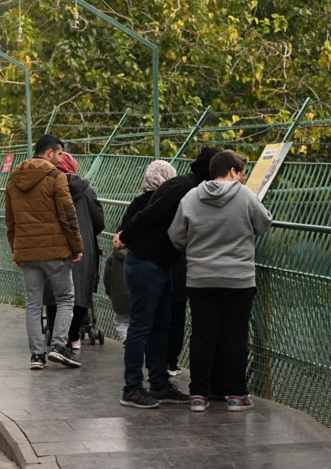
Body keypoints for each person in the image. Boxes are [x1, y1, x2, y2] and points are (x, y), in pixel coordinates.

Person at [113, 147, 220, 408]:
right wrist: (125, 236)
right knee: (141, 326)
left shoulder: (193, 188)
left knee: (161, 325)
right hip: (146, 262)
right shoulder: (183, 187)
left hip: (160, 264)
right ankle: (132, 388)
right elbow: (149, 214)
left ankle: (159, 384)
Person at [168, 150, 273, 412]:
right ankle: (237, 395)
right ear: (233, 172)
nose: (243, 178)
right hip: (238, 279)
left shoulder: (191, 197)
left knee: (202, 335)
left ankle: (198, 396)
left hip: (200, 278)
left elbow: (176, 236)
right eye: (242, 173)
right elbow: (264, 223)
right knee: (235, 336)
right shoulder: (244, 195)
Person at [5, 134, 84, 370]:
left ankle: (37, 356)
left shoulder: (13, 180)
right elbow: (68, 215)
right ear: (49, 153)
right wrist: (77, 246)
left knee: (32, 303)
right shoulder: (56, 177)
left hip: (27, 254)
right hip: (56, 252)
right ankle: (60, 347)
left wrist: (16, 250)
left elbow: (10, 221)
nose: (60, 159)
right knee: (65, 298)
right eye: (59, 153)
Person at [106, 160, 178, 344]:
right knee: (158, 319)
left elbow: (122, 235)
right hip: (162, 266)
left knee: (134, 321)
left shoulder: (137, 203)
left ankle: (133, 355)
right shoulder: (173, 203)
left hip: (134, 267)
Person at [43, 152, 105, 351]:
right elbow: (99, 222)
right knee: (79, 290)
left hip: (53, 246)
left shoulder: (46, 187)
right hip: (82, 247)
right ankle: (73, 334)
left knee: (54, 292)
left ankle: (56, 337)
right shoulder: (86, 190)